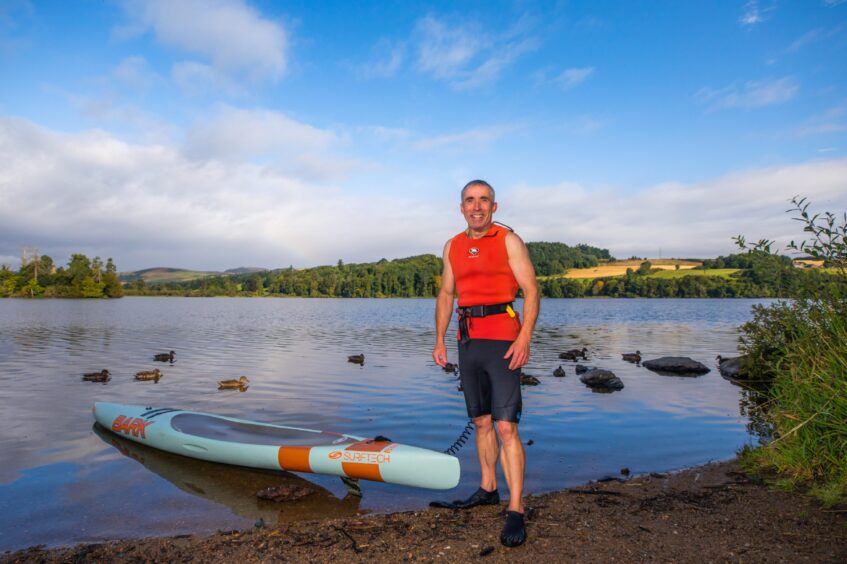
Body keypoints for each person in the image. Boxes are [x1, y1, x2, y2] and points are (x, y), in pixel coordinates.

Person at [432, 179, 539, 547]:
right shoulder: (452, 246)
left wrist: (524, 336)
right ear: (460, 206)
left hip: (504, 340)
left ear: (494, 206)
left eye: (484, 201)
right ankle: (488, 487)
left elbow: (531, 290)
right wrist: (439, 339)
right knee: (480, 422)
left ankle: (516, 509)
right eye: (469, 201)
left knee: (506, 426)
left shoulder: (509, 241)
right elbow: (447, 293)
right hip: (468, 339)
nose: (476, 207)